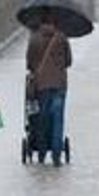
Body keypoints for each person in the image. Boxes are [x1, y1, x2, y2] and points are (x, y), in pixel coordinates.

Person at [25, 14, 73, 166]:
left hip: (41, 86)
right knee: (57, 119)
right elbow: (69, 61)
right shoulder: (62, 37)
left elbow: (29, 63)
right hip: (59, 85)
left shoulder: (34, 39)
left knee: (42, 118)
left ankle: (41, 151)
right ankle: (57, 154)